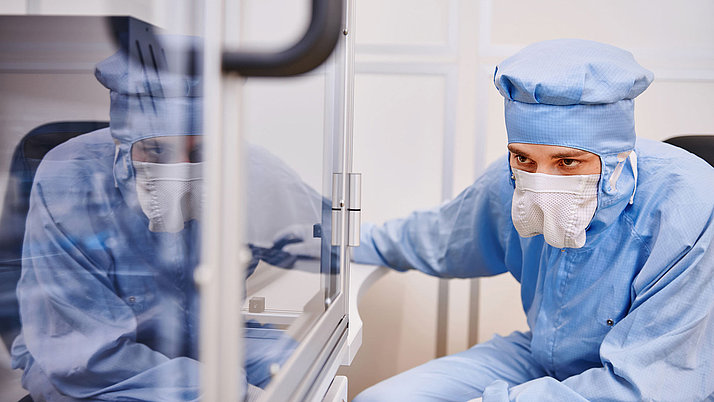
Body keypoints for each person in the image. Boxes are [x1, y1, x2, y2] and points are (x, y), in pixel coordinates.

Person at [352, 39, 714, 401]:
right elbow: (441, 237)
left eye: (567, 162)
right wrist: (332, 238)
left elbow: (647, 387)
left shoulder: (688, 207)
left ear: (617, 160)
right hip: (542, 359)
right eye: (524, 158)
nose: (540, 183)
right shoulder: (512, 177)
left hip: (638, 379)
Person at [11, 41, 322, 400]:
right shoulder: (69, 177)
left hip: (197, 346)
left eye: (201, 151)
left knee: (301, 367)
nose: (180, 170)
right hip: (93, 372)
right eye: (157, 150)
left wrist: (298, 370)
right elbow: (87, 357)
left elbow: (328, 234)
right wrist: (237, 393)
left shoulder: (246, 167)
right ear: (121, 144)